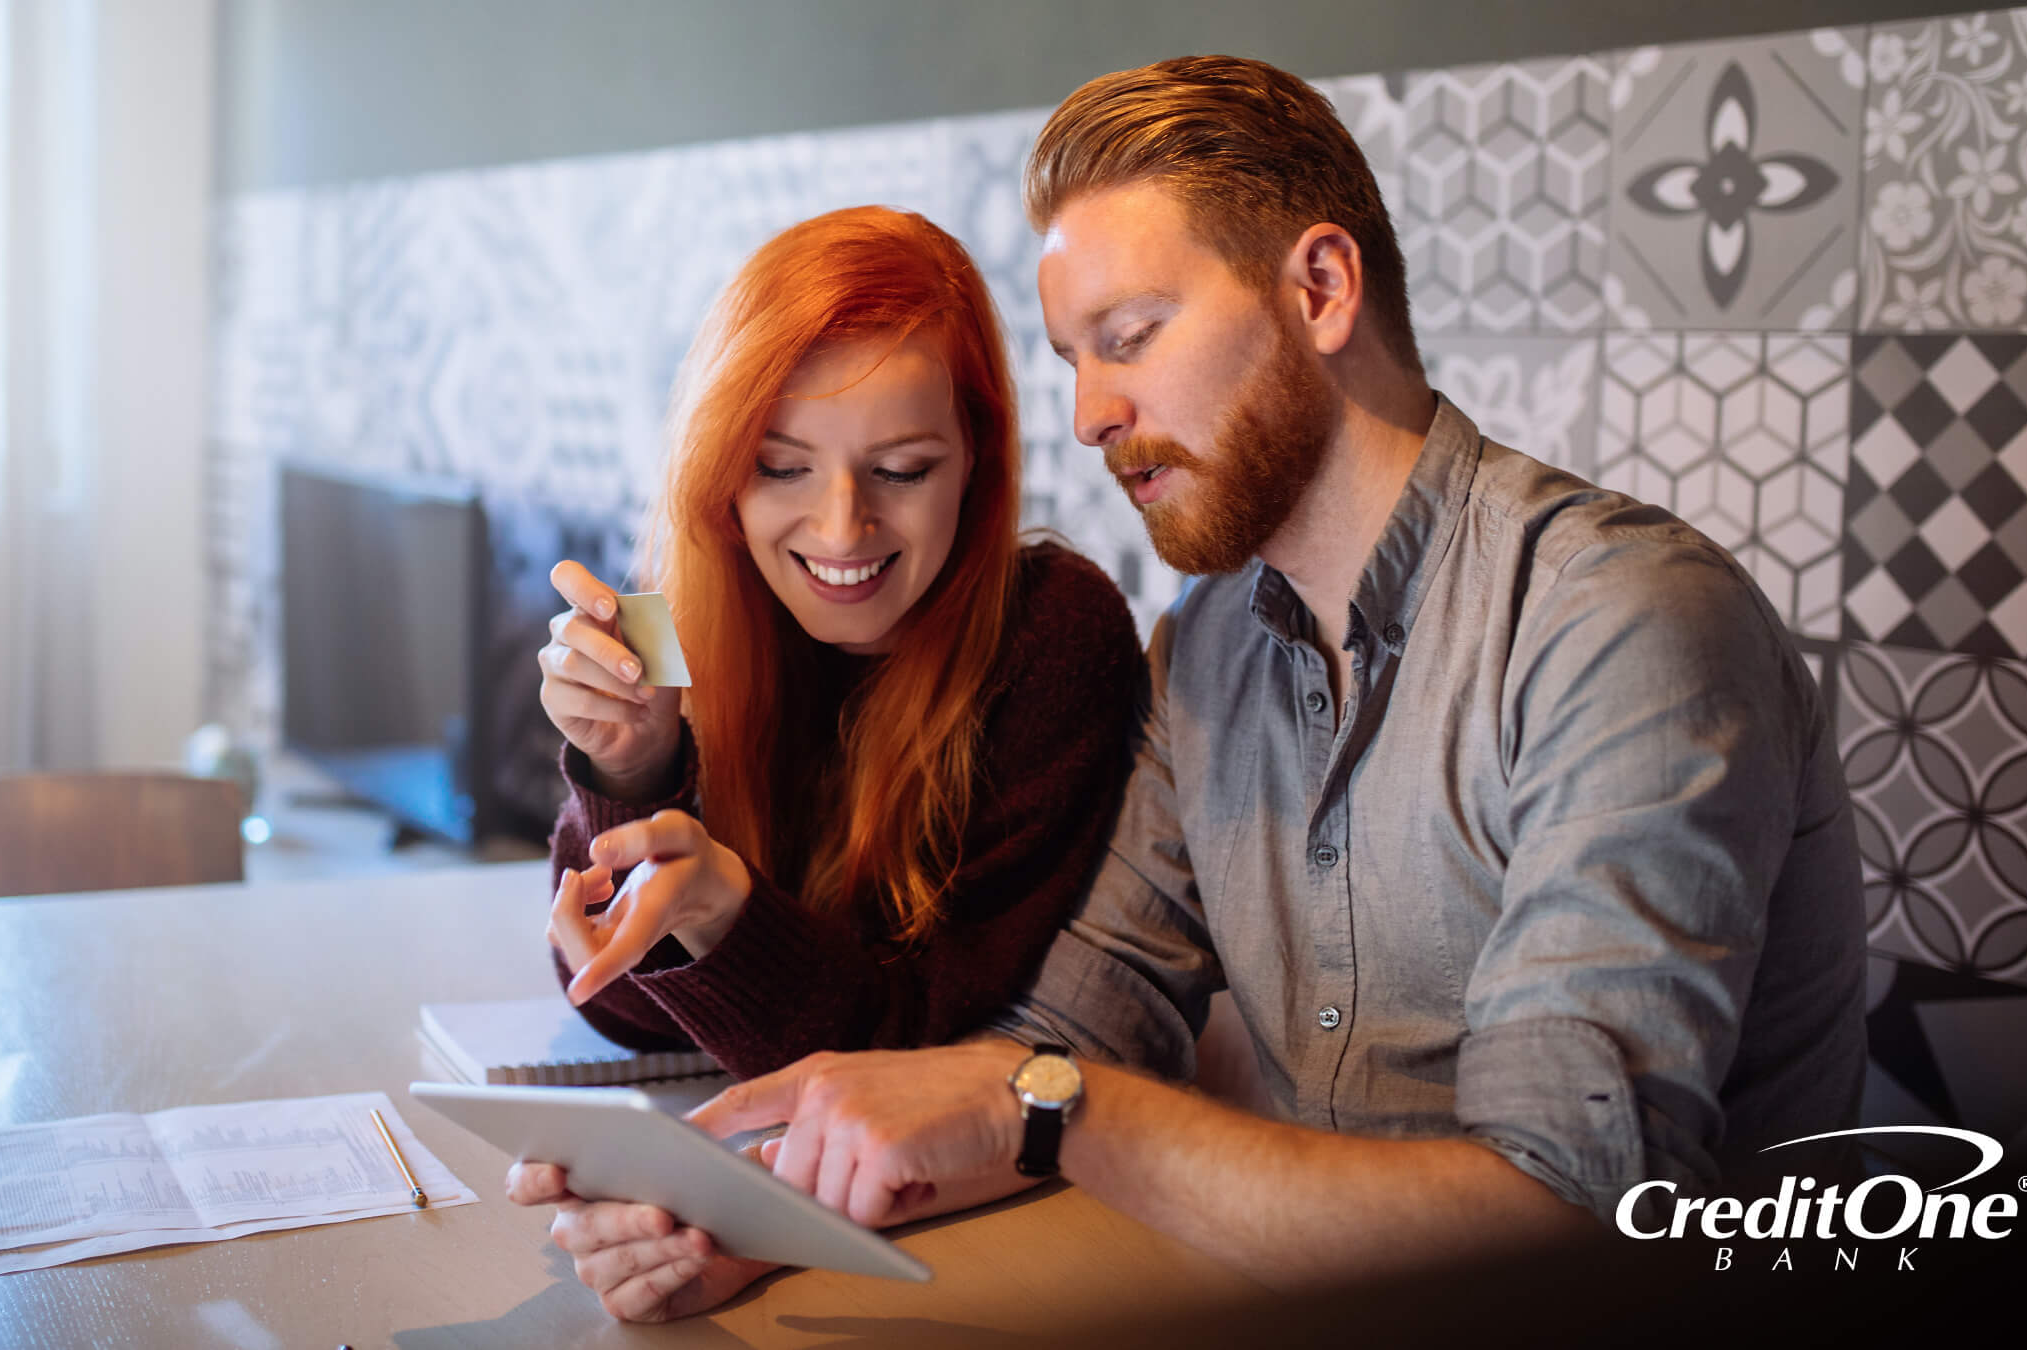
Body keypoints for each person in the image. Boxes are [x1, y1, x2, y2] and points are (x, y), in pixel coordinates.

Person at [517, 55, 1869, 1318]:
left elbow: (1567, 1211)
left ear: (1320, 289)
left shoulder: (1621, 622)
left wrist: (1044, 1101)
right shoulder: (1212, 641)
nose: (1093, 412)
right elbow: (1070, 1032)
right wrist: (758, 1211)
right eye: (1074, 359)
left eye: (1133, 334)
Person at [529, 207, 1144, 1083]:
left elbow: (919, 1039)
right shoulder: (688, 621)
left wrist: (722, 917)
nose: (842, 527)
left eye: (901, 470)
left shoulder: (1051, 635)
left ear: (976, 460)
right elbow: (612, 1002)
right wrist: (631, 773)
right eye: (782, 467)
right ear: (724, 474)